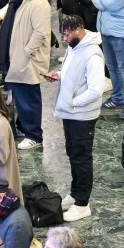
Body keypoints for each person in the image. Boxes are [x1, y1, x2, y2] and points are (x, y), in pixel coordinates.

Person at [44, 15, 104, 222]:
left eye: (67, 33)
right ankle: (75, 193)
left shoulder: (93, 55)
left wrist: (73, 102)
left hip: (82, 115)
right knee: (73, 153)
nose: (65, 38)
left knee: (82, 157)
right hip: (70, 113)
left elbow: (96, 90)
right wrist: (59, 75)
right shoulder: (74, 47)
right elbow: (73, 71)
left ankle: (82, 204)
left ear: (79, 29)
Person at [0, 0, 50, 146]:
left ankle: (34, 136)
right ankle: (23, 127)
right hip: (17, 56)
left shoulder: (38, 2)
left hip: (28, 60)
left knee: (28, 98)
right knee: (20, 96)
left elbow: (40, 33)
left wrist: (26, 52)